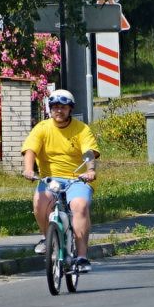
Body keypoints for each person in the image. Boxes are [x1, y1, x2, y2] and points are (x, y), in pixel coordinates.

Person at [21, 89, 100, 272]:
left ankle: (81, 257)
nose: (59, 111)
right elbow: (30, 150)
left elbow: (89, 152)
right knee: (40, 202)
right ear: (50, 109)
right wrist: (28, 169)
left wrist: (90, 170)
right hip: (51, 179)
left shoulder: (81, 129)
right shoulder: (42, 128)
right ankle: (45, 237)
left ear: (70, 109)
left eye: (63, 107)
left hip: (77, 178)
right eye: (55, 107)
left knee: (79, 206)